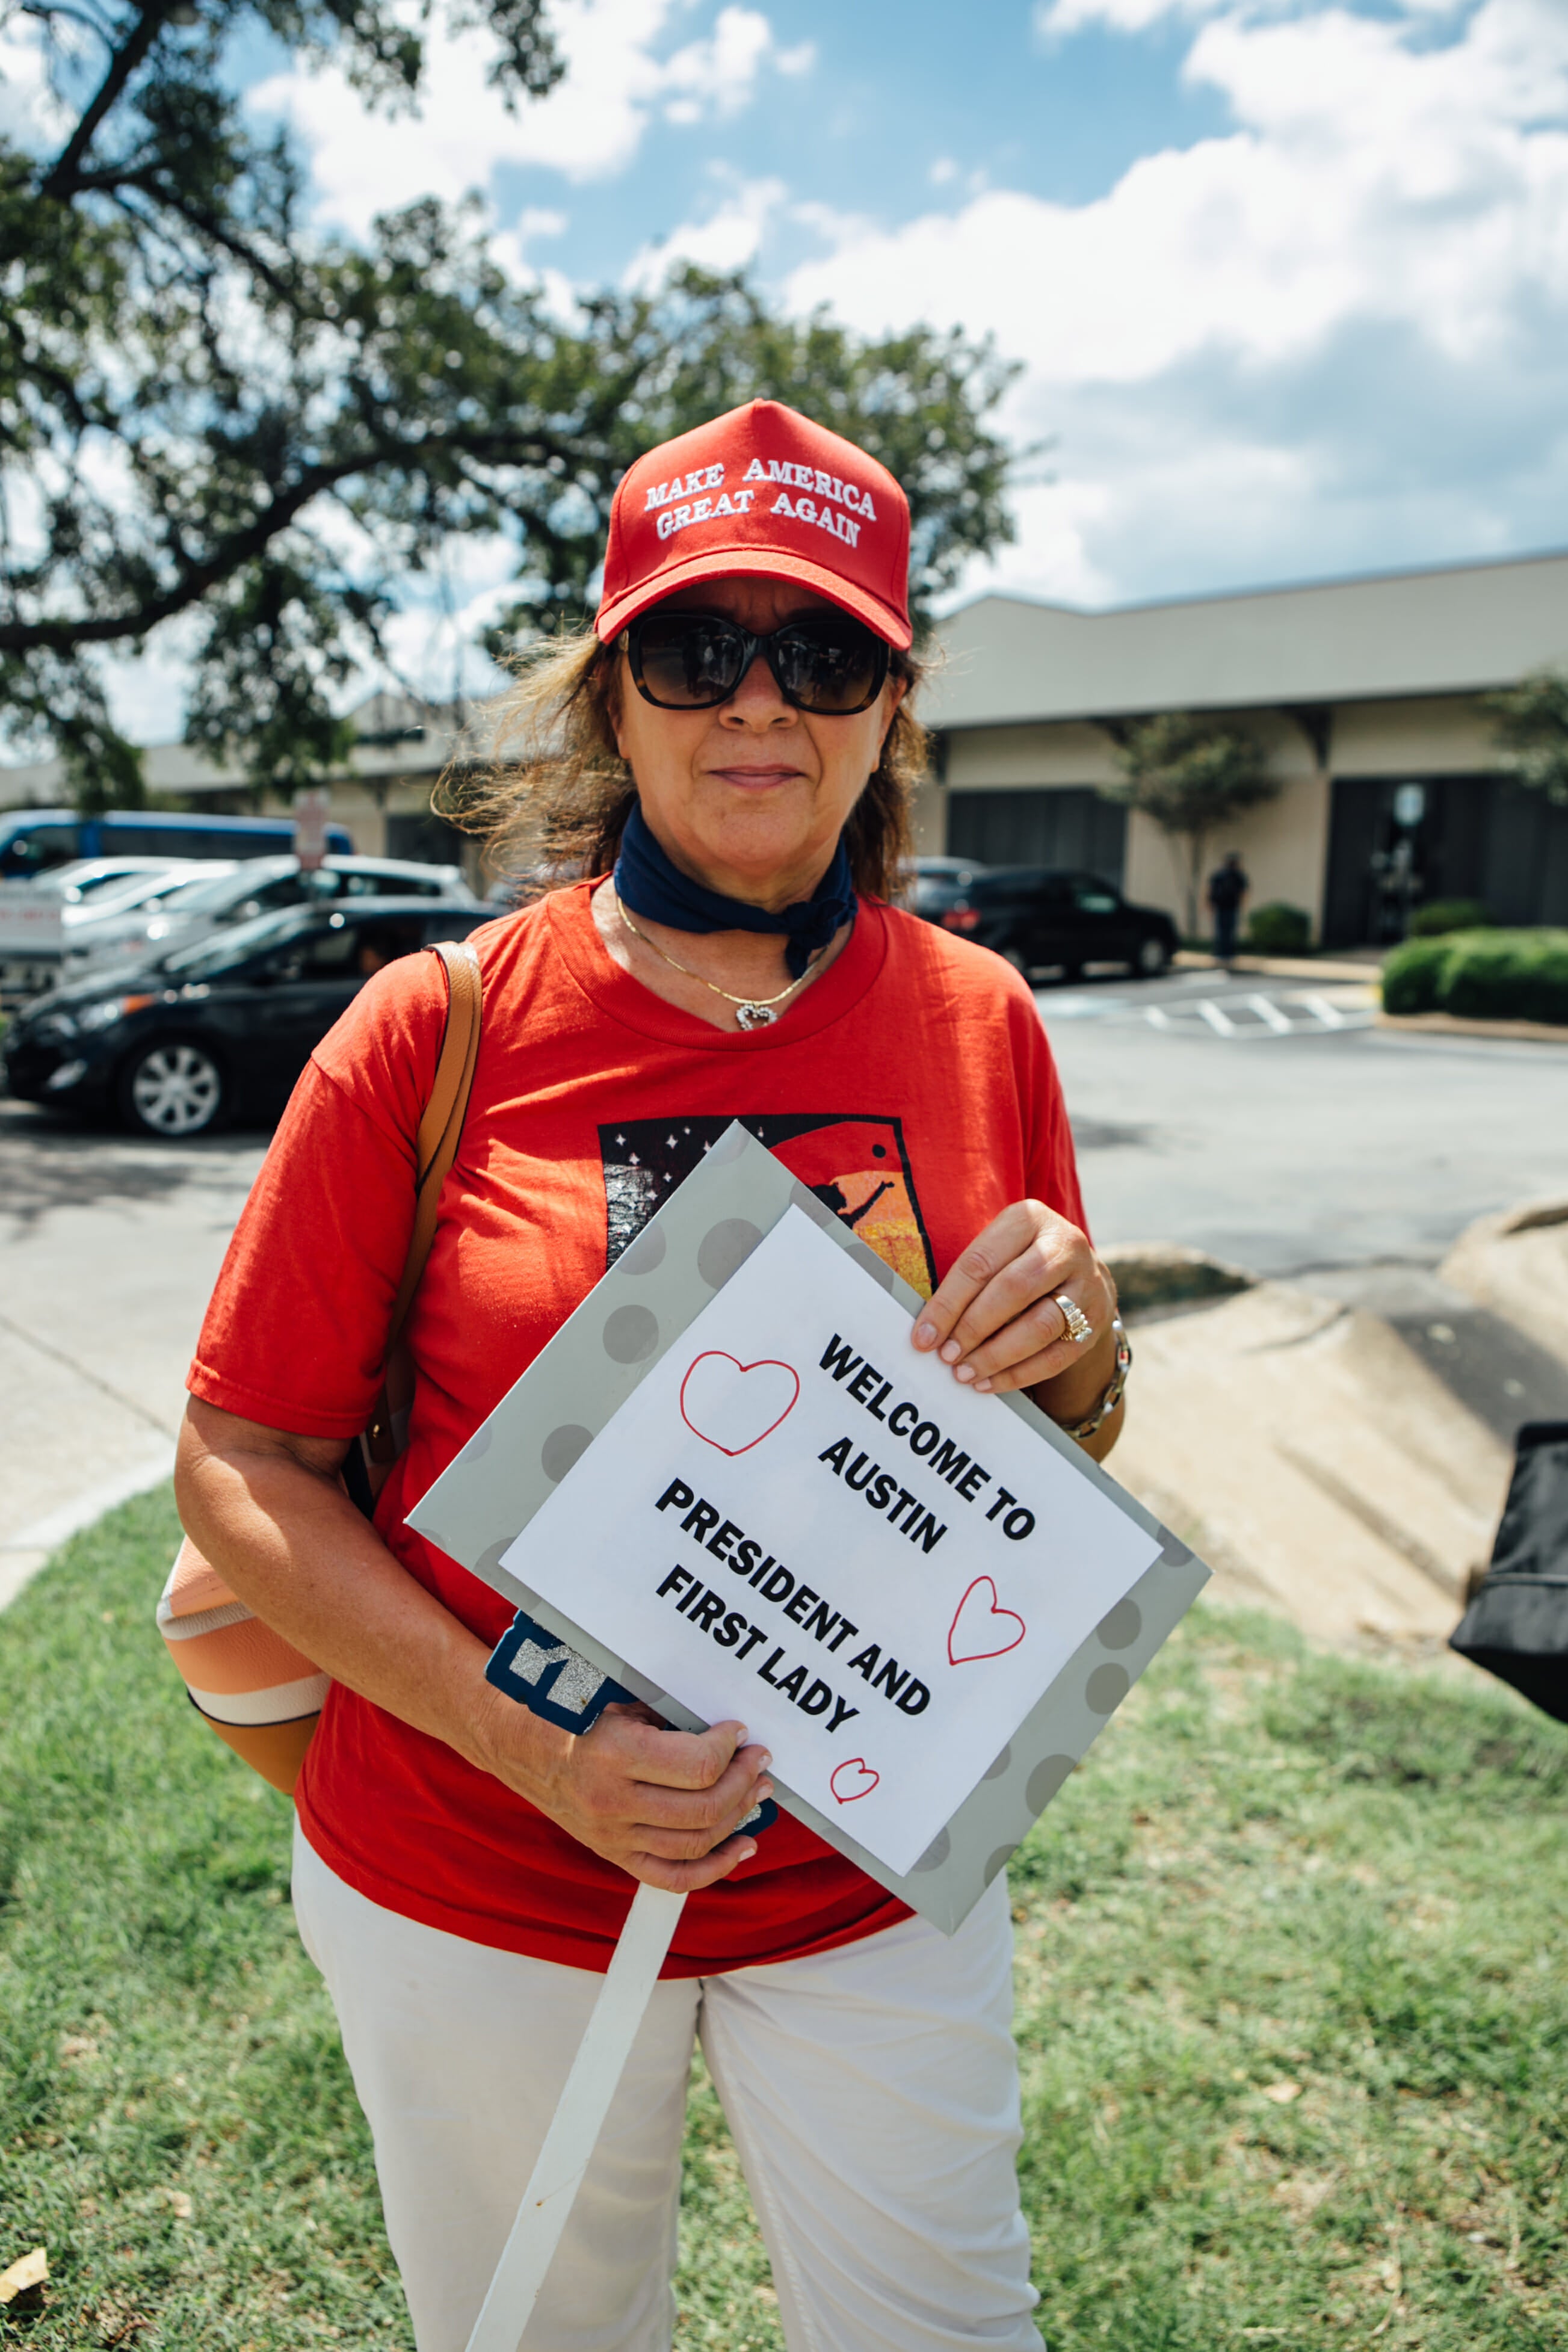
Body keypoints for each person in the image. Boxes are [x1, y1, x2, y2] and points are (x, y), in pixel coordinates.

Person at [174, 398, 1129, 2352]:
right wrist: (535, 1746)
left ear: (889, 701)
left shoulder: (979, 1020)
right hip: (478, 1869)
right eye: (702, 646)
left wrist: (1089, 1356)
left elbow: (1039, 1431)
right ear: (617, 690)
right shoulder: (430, 1027)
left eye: (824, 648)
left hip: (869, 1881)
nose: (759, 698)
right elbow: (238, 1458)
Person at [1207, 849, 1249, 961]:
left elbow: (1243, 892)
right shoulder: (1224, 875)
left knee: (1226, 931)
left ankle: (1225, 954)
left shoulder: (1234, 876)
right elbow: (1211, 891)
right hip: (1225, 907)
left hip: (1228, 907)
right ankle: (1223, 953)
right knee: (1225, 931)